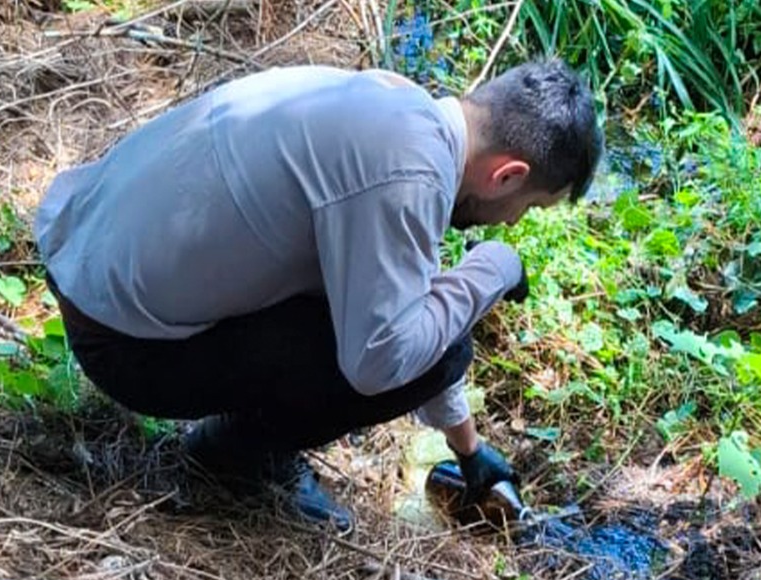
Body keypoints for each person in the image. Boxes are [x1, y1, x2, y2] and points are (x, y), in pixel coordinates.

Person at [33, 59, 603, 532]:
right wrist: (494, 269)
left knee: (427, 325)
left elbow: (411, 291)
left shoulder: (400, 108)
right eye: (527, 207)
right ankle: (234, 453)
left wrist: (468, 450)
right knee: (443, 345)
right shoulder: (407, 175)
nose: (510, 224)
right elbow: (382, 360)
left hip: (84, 265)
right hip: (125, 348)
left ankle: (237, 441)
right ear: (506, 176)